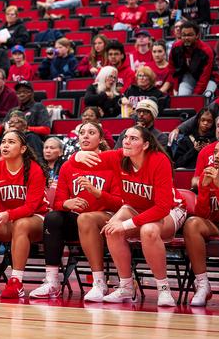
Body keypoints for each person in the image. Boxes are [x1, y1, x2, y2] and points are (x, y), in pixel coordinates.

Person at [73, 126, 186, 306]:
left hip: (171, 210)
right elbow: (78, 163)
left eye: (134, 138)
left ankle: (164, 289)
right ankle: (126, 286)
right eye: (125, 137)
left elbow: (162, 208)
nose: (127, 141)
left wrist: (126, 225)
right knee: (111, 229)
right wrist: (78, 155)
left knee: (148, 230)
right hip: (136, 208)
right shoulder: (119, 157)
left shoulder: (159, 160)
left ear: (146, 144)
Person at [29, 122, 122, 300]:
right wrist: (67, 203)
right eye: (82, 133)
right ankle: (52, 282)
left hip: (106, 219)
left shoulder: (111, 163)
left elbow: (120, 203)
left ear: (101, 139)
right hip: (78, 220)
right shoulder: (69, 166)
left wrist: (98, 193)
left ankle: (99, 283)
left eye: (91, 132)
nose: (85, 136)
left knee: (86, 218)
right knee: (53, 218)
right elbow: (57, 203)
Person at [0, 130, 49, 298]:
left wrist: (6, 215)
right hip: (8, 219)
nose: (5, 145)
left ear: (23, 149)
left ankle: (16, 281)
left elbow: (31, 207)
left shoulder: (35, 170)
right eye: (4, 141)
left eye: (11, 142)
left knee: (22, 223)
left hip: (36, 219)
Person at [183, 138, 219, 306]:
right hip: (215, 224)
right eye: (215, 152)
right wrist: (204, 190)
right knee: (192, 223)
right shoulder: (207, 174)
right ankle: (202, 284)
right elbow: (202, 213)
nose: (216, 156)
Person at [170, 21, 216, 96]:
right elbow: (172, 69)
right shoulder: (176, 47)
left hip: (209, 78)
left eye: (190, 35)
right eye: (183, 35)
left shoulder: (206, 51)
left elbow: (205, 77)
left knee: (207, 95)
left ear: (197, 35)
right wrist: (176, 87)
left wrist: (195, 95)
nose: (186, 38)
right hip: (189, 76)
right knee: (182, 96)